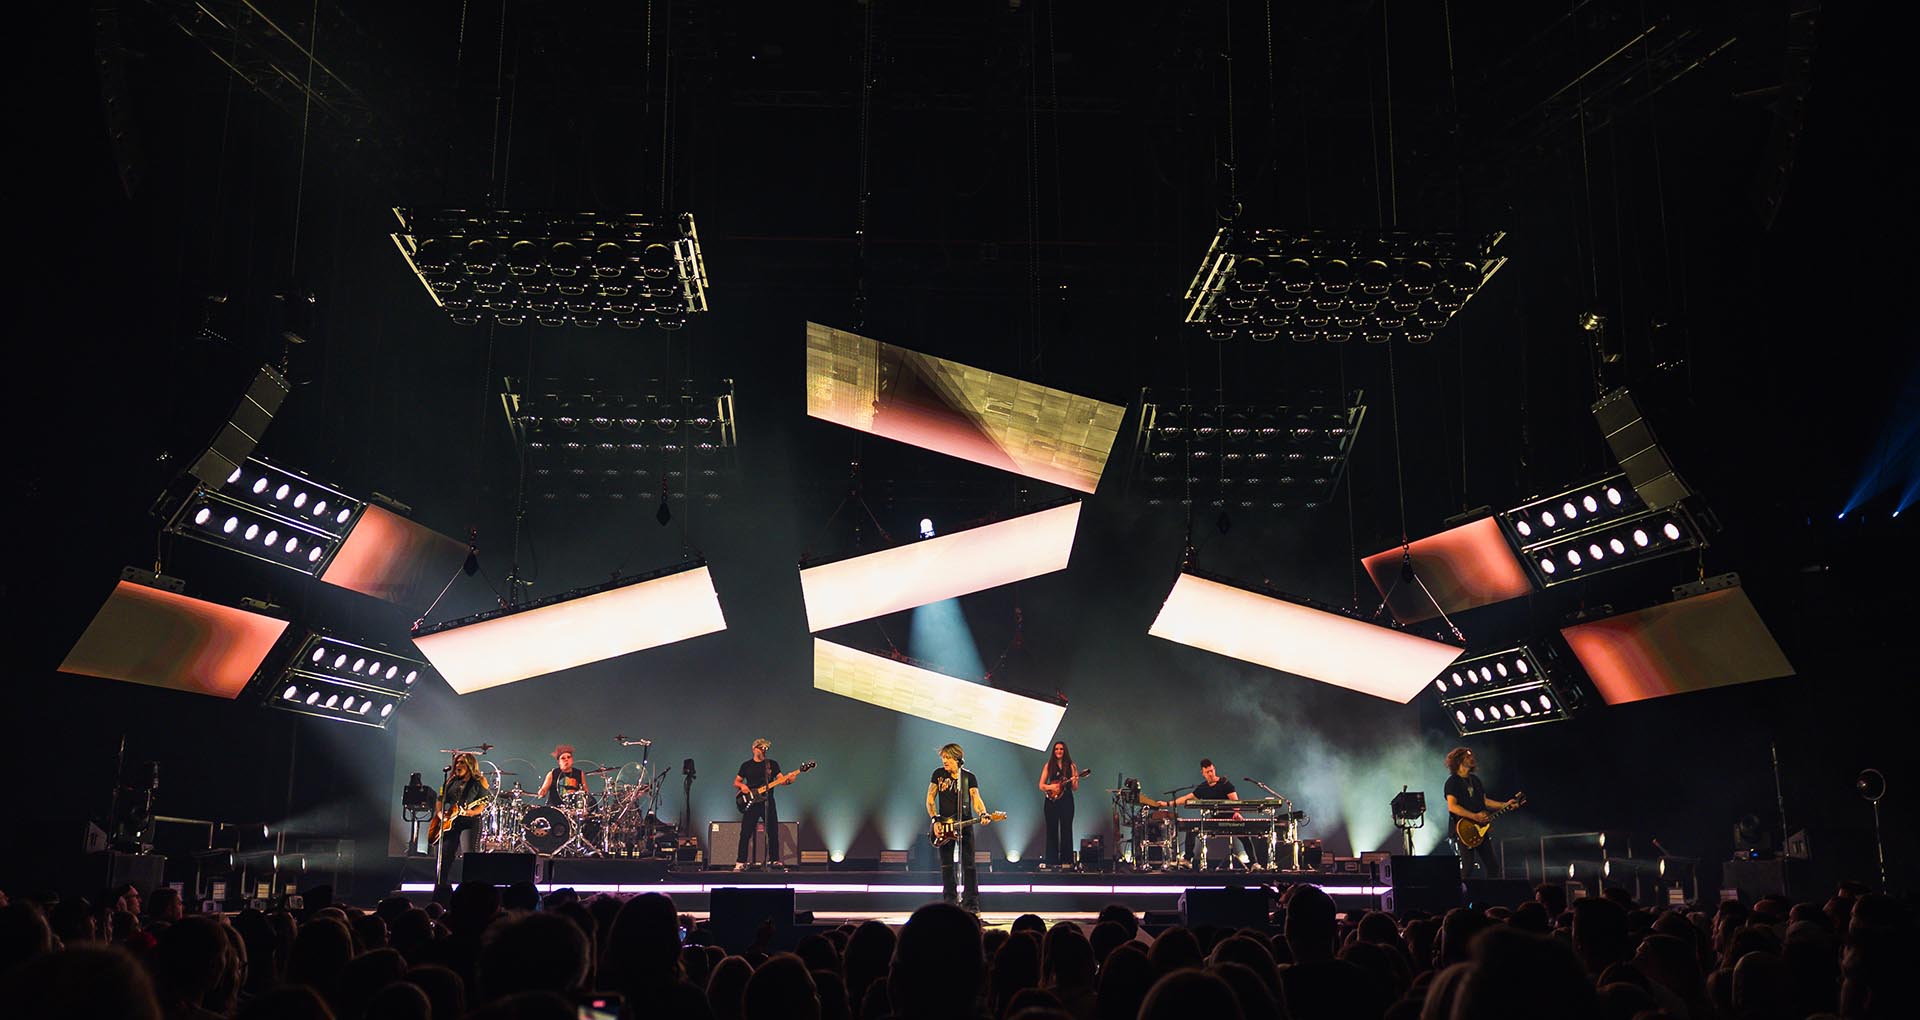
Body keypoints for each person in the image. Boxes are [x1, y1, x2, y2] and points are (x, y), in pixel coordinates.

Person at [1143, 759, 1269, 870]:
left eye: (1212, 771)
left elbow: (1235, 801)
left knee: (1245, 835)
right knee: (1192, 830)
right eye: (1207, 772)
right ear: (1203, 773)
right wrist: (1167, 803)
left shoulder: (1225, 783)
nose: (1210, 774)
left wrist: (1236, 812)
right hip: (1213, 820)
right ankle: (1187, 860)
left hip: (1230, 818)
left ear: (1214, 769)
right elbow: (1186, 798)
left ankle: (1254, 863)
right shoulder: (1203, 788)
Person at [927, 742, 994, 913]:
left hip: (965, 824)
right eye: (943, 757)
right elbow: (930, 799)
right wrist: (935, 820)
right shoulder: (938, 774)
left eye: (948, 757)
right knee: (947, 865)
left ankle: (971, 903)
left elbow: (976, 798)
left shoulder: (968, 777)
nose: (944, 761)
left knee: (969, 865)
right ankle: (949, 902)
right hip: (944, 825)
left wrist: (983, 813)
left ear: (957, 759)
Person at [1443, 747, 1518, 879]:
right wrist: (1474, 816)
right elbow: (1452, 806)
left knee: (1493, 866)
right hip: (1462, 830)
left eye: (1471, 756)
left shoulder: (1475, 780)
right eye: (1467, 756)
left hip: (1480, 829)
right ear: (1459, 760)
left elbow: (1484, 801)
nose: (1472, 758)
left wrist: (1505, 804)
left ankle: (1489, 891)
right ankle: (1460, 891)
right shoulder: (1452, 782)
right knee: (1467, 867)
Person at [734, 739, 801, 871]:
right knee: (745, 832)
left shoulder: (772, 765)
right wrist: (742, 786)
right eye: (760, 747)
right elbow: (736, 781)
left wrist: (789, 779)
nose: (762, 750)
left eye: (764, 748)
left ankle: (774, 860)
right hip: (752, 802)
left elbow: (781, 780)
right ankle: (740, 861)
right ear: (754, 749)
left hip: (768, 801)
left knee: (773, 831)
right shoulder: (746, 765)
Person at [435, 753, 490, 887]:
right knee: (445, 856)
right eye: (457, 763)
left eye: (462, 763)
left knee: (470, 855)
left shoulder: (479, 781)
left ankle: (470, 888)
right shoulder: (451, 781)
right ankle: (442, 888)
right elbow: (440, 799)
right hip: (451, 822)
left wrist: (469, 812)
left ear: (470, 765)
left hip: (469, 822)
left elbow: (482, 804)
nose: (458, 765)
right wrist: (440, 814)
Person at [1037, 741, 1081, 871]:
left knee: (1066, 829)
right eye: (1056, 749)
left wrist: (1075, 781)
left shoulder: (1071, 766)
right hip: (1051, 802)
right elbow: (1041, 785)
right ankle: (1051, 861)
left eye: (1061, 749)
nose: (1059, 751)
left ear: (1064, 750)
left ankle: (1067, 862)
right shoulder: (1049, 765)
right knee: (1051, 830)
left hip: (1066, 801)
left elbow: (1075, 788)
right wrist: (1052, 787)